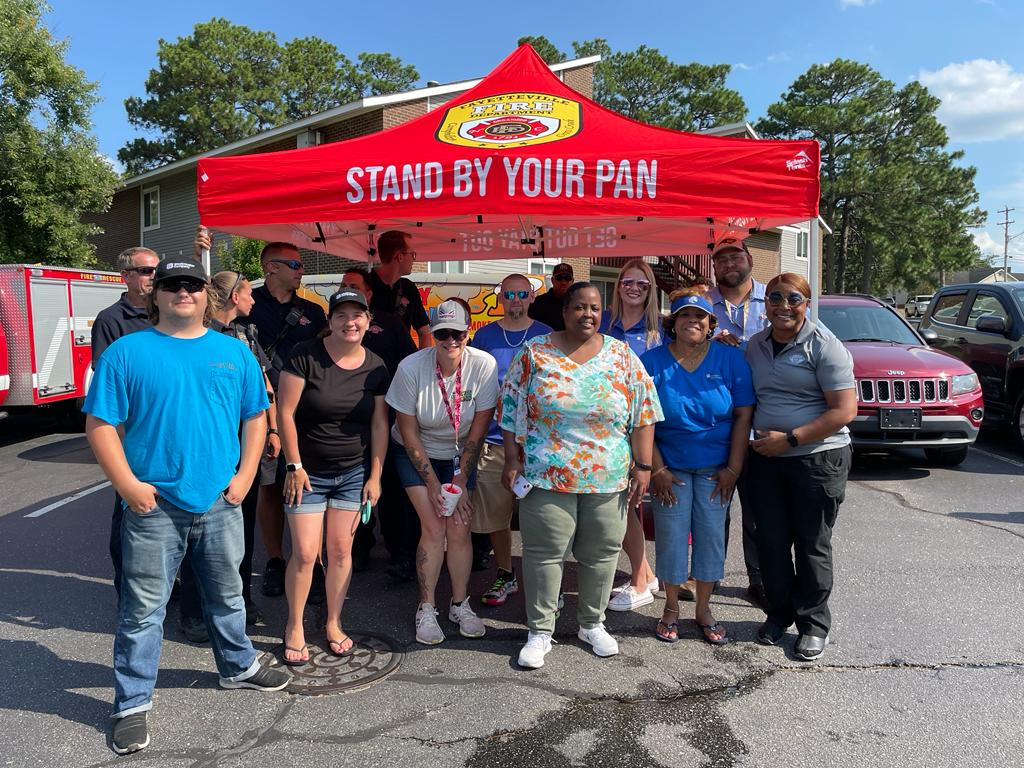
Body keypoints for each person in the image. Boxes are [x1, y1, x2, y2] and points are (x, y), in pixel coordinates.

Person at [84, 257, 289, 756]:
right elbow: (101, 425)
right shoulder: (127, 353)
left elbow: (256, 418)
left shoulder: (232, 352)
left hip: (220, 501)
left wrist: (244, 478)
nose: (183, 293)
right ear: (156, 293)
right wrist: (128, 484)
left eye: (192, 285)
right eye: (173, 285)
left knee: (228, 596)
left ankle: (238, 666)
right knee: (143, 612)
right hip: (153, 507)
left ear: (206, 295)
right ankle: (131, 703)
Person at [501, 282, 662, 669]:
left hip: (607, 477)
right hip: (546, 475)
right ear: (565, 310)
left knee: (602, 552)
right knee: (543, 554)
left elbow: (643, 414)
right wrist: (511, 458)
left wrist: (643, 467)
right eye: (578, 307)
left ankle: (592, 624)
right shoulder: (534, 352)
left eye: (594, 308)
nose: (587, 314)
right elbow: (510, 406)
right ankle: (540, 631)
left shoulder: (622, 356)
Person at [745, 273, 856, 661]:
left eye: (794, 298)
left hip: (817, 458)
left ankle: (813, 624)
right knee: (771, 543)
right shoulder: (755, 345)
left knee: (811, 543)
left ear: (806, 304)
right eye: (775, 298)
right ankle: (779, 614)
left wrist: (790, 439)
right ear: (765, 304)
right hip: (765, 460)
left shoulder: (825, 346)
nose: (784, 306)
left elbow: (844, 410)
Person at [277, 288, 389, 664]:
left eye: (357, 315)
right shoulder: (304, 355)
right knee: (307, 553)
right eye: (341, 315)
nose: (350, 322)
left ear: (368, 322)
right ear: (330, 322)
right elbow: (285, 413)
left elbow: (378, 425)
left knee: (341, 551)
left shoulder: (376, 366)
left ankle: (333, 622)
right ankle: (294, 626)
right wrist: (294, 465)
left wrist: (375, 476)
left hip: (353, 473)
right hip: (306, 473)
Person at [641, 289, 754, 645]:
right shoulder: (652, 361)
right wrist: (656, 469)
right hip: (669, 470)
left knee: (710, 539)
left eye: (700, 317)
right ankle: (671, 608)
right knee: (672, 539)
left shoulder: (730, 360)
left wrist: (733, 469)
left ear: (710, 324)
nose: (693, 322)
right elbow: (642, 421)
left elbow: (743, 415)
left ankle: (704, 609)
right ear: (672, 324)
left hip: (715, 470)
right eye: (684, 316)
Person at [218, 235, 327, 601]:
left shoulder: (314, 313)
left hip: (303, 412)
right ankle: (276, 560)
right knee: (267, 486)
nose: (301, 271)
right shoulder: (249, 307)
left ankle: (307, 560)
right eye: (295, 265)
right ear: (271, 267)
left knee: (303, 484)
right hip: (260, 412)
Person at [386, 299, 499, 645]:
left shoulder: (484, 365)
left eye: (458, 334)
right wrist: (435, 485)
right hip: (415, 451)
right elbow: (407, 434)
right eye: (442, 334)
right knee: (434, 527)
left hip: (459, 454)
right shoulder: (411, 368)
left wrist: (460, 481)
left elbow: (478, 431)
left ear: (469, 333)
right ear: (434, 335)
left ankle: (459, 603)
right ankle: (426, 606)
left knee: (460, 527)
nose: (450, 341)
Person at [177, 270, 279, 640]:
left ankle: (242, 601)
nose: (254, 299)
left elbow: (264, 385)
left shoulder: (247, 336)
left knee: (240, 530)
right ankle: (192, 610)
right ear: (234, 296)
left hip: (243, 446)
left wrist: (272, 428)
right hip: (205, 448)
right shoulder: (194, 337)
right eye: (249, 293)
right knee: (194, 531)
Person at [468, 275, 551, 606]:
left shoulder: (546, 334)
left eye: (522, 294)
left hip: (537, 445)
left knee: (543, 518)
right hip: (494, 441)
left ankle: (544, 580)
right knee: (496, 517)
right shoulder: (485, 336)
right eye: (509, 294)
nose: (515, 299)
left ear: (531, 297)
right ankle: (506, 573)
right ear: (500, 297)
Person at [338, 267, 419, 577]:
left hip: (388, 416)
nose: (348, 289)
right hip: (349, 423)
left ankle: (401, 553)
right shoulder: (331, 328)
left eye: (355, 286)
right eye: (344, 285)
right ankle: (359, 549)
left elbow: (410, 365)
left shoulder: (390, 324)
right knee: (356, 485)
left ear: (369, 293)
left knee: (393, 490)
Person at [92, 246, 160, 600]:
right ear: (127, 276)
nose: (154, 276)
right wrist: (122, 446)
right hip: (131, 437)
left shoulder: (166, 312)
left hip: (164, 434)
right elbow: (108, 391)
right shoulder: (111, 320)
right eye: (147, 271)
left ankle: (168, 586)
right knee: (130, 515)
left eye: (156, 270)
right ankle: (129, 591)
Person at [706, 231, 769, 607]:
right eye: (721, 259)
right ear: (714, 266)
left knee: (759, 509)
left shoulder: (775, 296)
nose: (729, 264)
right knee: (717, 504)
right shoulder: (702, 304)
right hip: (717, 418)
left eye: (735, 257)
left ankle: (759, 578)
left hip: (764, 417)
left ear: (749, 259)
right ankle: (709, 575)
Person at [601, 259, 665, 613]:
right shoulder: (604, 324)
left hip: (641, 429)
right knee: (625, 506)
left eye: (642, 284)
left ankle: (640, 582)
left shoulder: (659, 332)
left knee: (628, 506)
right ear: (619, 285)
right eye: (628, 282)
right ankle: (647, 574)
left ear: (651, 290)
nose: (634, 288)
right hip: (606, 428)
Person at [369, 230, 432, 348]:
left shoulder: (409, 288)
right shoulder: (365, 284)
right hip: (371, 362)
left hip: (402, 363)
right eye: (412, 254)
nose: (414, 259)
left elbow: (424, 332)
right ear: (400, 257)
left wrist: (422, 364)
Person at [528, 262, 573, 331]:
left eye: (567, 278)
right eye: (559, 278)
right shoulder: (538, 303)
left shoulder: (578, 303)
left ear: (572, 281)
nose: (563, 282)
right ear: (552, 280)